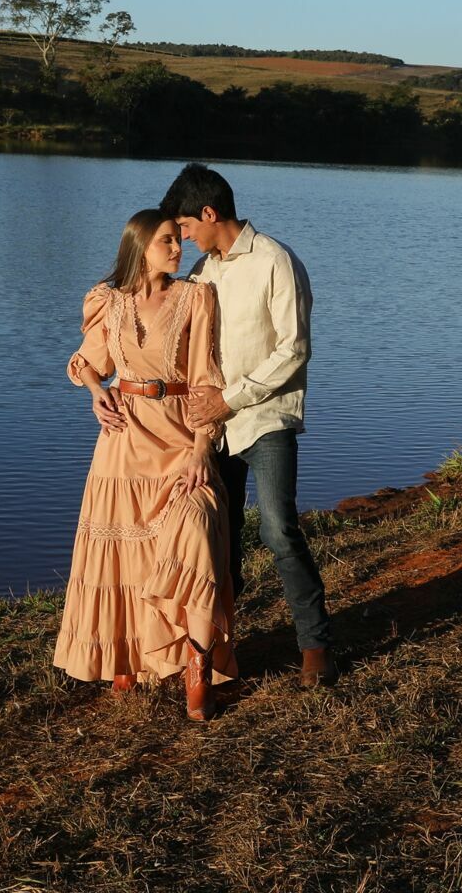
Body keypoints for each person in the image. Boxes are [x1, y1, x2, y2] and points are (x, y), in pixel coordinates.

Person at [53, 208, 237, 720]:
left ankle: (198, 668)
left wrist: (203, 448)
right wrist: (96, 393)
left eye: (179, 241)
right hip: (123, 441)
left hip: (180, 439)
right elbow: (87, 362)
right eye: (167, 242)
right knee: (122, 556)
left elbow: (206, 381)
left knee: (196, 530)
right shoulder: (107, 303)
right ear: (139, 246)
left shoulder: (195, 299)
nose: (179, 250)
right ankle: (124, 656)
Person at [161, 163, 335, 687]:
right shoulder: (201, 274)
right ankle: (221, 653)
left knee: (280, 532)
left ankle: (316, 647)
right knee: (218, 540)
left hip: (265, 421)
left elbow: (294, 350)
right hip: (211, 431)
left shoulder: (277, 262)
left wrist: (230, 400)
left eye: (187, 227)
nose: (184, 239)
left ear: (210, 214)